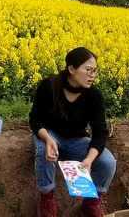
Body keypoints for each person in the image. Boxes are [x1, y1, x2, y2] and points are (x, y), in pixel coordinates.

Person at [29, 47, 117, 217]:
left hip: (76, 140)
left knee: (108, 161)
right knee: (44, 152)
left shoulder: (94, 96)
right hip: (50, 134)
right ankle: (47, 198)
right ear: (71, 69)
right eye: (88, 70)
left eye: (95, 71)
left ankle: (91, 203)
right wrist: (47, 139)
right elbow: (35, 120)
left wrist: (89, 160)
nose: (92, 75)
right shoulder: (49, 86)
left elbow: (100, 132)